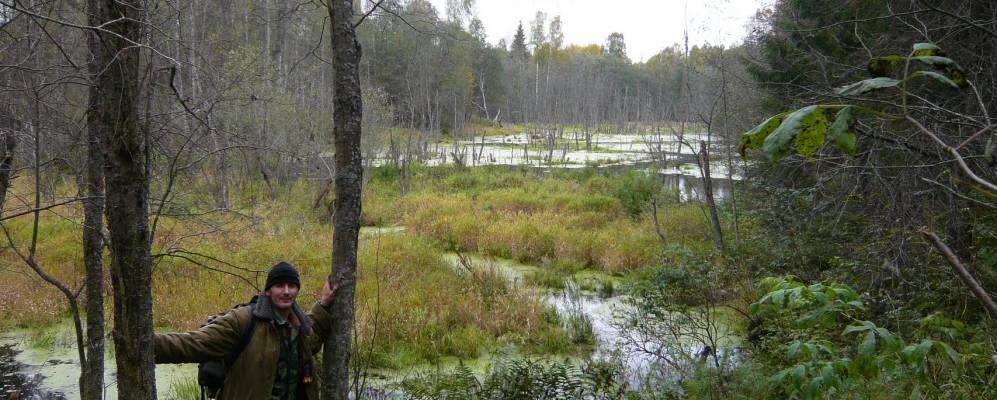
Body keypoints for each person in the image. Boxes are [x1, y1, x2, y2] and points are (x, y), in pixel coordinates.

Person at [154, 261, 338, 400]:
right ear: (268, 291)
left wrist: (324, 304)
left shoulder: (299, 325)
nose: (286, 291)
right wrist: (148, 344)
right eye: (279, 285)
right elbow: (193, 343)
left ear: (297, 290)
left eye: (292, 286)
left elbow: (313, 338)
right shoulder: (243, 320)